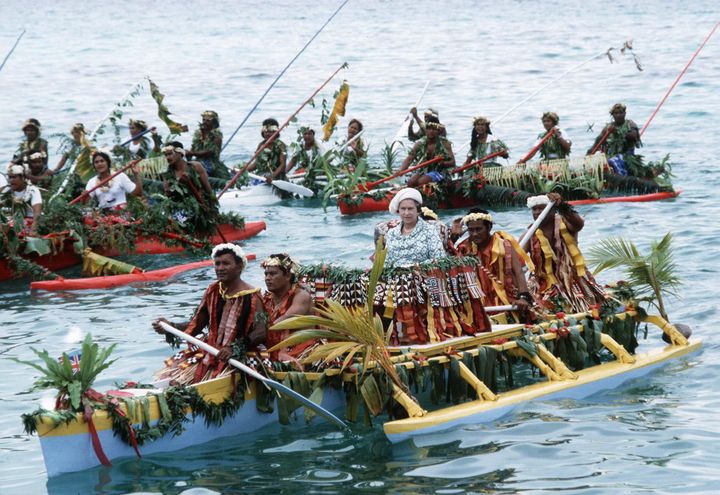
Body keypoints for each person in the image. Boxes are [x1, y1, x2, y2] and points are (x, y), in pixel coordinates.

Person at [153, 243, 266, 384]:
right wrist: (171, 327)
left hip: (239, 355)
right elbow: (197, 324)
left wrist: (234, 348)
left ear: (239, 267)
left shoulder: (252, 296)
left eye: (226, 263)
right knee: (172, 380)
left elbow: (261, 332)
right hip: (211, 351)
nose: (220, 268)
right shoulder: (212, 291)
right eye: (217, 264)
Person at [524, 193, 606, 312]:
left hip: (571, 279)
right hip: (542, 282)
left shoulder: (566, 224)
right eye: (534, 209)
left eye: (541, 208)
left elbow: (579, 224)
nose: (537, 212)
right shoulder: (530, 234)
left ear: (553, 210)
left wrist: (562, 206)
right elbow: (517, 256)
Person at [455, 208, 534, 315]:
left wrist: (523, 297)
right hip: (478, 303)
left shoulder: (504, 245)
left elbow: (518, 272)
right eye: (471, 230)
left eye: (479, 229)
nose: (474, 234)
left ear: (489, 227)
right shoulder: (463, 248)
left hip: (506, 300)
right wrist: (453, 237)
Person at [261, 253, 313, 359]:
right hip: (274, 348)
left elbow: (287, 320)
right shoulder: (266, 299)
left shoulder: (301, 296)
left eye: (272, 274)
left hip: (302, 349)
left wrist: (259, 333)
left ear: (288, 276)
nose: (267, 278)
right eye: (266, 274)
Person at [162, 142, 218, 231]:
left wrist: (212, 211)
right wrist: (177, 184)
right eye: (165, 155)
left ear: (180, 154)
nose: (167, 158)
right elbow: (167, 193)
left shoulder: (195, 166)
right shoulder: (168, 173)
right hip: (179, 207)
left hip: (198, 207)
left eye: (170, 154)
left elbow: (208, 189)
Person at [383, 188, 446, 267]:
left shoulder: (429, 230)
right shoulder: (392, 233)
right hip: (394, 278)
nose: (406, 213)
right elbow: (386, 262)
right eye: (403, 209)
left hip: (424, 277)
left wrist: (412, 266)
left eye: (410, 208)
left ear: (418, 210)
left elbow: (439, 259)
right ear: (398, 211)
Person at [399, 117, 455, 187]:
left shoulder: (445, 143)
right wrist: (400, 170)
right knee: (411, 182)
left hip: (440, 172)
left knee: (420, 182)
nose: (431, 131)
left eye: (434, 129)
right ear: (425, 130)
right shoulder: (420, 143)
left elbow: (453, 162)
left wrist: (442, 163)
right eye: (429, 129)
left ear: (438, 130)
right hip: (424, 170)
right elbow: (409, 158)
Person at [587, 103, 641, 176]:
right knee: (598, 164)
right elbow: (598, 142)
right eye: (616, 113)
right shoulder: (608, 128)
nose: (619, 115)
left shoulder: (630, 124)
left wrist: (618, 132)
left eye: (621, 113)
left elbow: (633, 136)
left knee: (611, 162)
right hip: (610, 155)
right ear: (612, 115)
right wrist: (589, 154)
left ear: (625, 113)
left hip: (626, 156)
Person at [187, 110, 230, 179]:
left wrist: (192, 153)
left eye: (208, 121)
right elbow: (193, 147)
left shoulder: (217, 136)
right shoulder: (199, 134)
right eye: (204, 120)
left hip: (211, 163)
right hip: (198, 161)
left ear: (214, 122)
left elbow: (210, 152)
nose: (205, 122)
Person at [1, 164, 42, 233]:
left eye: (14, 177)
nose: (11, 180)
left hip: (29, 222)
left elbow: (37, 213)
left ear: (23, 178)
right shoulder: (6, 190)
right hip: (11, 221)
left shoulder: (32, 190)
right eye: (9, 177)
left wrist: (33, 230)